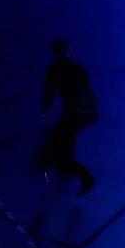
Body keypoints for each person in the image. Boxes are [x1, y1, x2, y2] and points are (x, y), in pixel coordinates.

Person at [39, 39, 98, 195]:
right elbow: (87, 92)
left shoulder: (54, 71)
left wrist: (44, 109)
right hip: (87, 111)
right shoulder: (78, 68)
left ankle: (84, 176)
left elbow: (49, 95)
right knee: (64, 138)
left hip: (74, 113)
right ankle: (68, 166)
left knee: (63, 146)